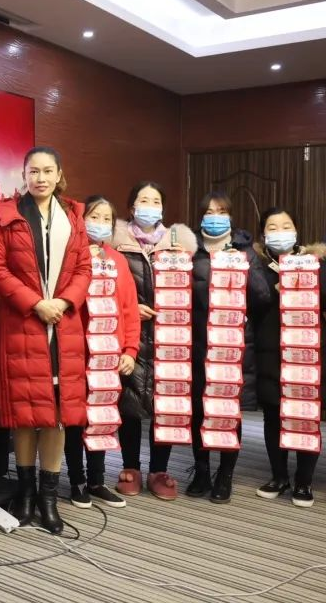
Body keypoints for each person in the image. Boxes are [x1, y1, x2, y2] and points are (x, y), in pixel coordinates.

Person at [0, 146, 90, 534]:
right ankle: (25, 495)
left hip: (64, 324)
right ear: (24, 174)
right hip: (22, 323)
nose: (40, 178)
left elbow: (84, 268)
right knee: (26, 414)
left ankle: (49, 499)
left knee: (58, 414)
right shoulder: (4, 215)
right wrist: (36, 304)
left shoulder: (73, 216)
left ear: (59, 174)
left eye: (48, 171)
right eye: (34, 171)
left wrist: (62, 302)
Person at [110, 182, 198, 500]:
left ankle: (159, 470)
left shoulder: (179, 245)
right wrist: (130, 308)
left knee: (166, 403)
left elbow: (193, 289)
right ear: (131, 207)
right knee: (129, 401)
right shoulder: (116, 244)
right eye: (143, 200)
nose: (149, 205)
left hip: (170, 335)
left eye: (155, 200)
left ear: (163, 208)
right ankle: (131, 467)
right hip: (129, 333)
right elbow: (105, 287)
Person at [187, 191, 271, 503]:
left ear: (231, 215)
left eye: (221, 211)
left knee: (228, 410)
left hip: (233, 343)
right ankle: (201, 470)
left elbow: (262, 297)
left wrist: (242, 267)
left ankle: (225, 474)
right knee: (198, 409)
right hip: (196, 341)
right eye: (209, 211)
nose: (215, 216)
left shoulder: (245, 250)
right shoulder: (190, 249)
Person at [253, 207, 326, 508]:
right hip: (270, 350)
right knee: (273, 415)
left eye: (286, 226)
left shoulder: (315, 261)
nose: (280, 232)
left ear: (297, 231)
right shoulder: (256, 265)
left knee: (307, 416)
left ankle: (304, 481)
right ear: (263, 235)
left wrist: (306, 281)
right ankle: (279, 477)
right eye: (272, 227)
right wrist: (273, 290)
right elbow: (247, 303)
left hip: (308, 352)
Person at [64, 195, 140, 509]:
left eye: (107, 218)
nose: (100, 223)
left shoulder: (118, 260)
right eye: (94, 217)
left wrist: (130, 350)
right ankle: (77, 481)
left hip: (108, 355)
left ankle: (97, 481)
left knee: (102, 417)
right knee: (75, 419)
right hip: (76, 353)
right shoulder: (69, 256)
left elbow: (130, 310)